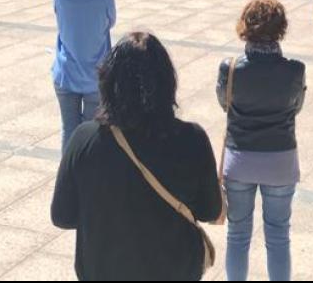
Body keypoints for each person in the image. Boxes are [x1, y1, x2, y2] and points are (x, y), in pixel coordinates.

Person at [52, 32, 223, 281]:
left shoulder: (84, 139)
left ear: (107, 81)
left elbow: (62, 216)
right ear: (168, 83)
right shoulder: (192, 139)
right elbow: (210, 209)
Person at [217, 0, 306, 282]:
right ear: (280, 29)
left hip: (240, 159)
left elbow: (225, 104)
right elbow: (297, 106)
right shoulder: (295, 69)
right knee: (279, 235)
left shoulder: (229, 68)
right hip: (280, 159)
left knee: (238, 234)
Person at [52, 0, 116, 151]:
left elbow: (59, 17)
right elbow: (111, 21)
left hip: (65, 72)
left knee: (69, 130)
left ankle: (67, 177)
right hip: (95, 75)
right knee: (90, 133)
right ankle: (85, 178)